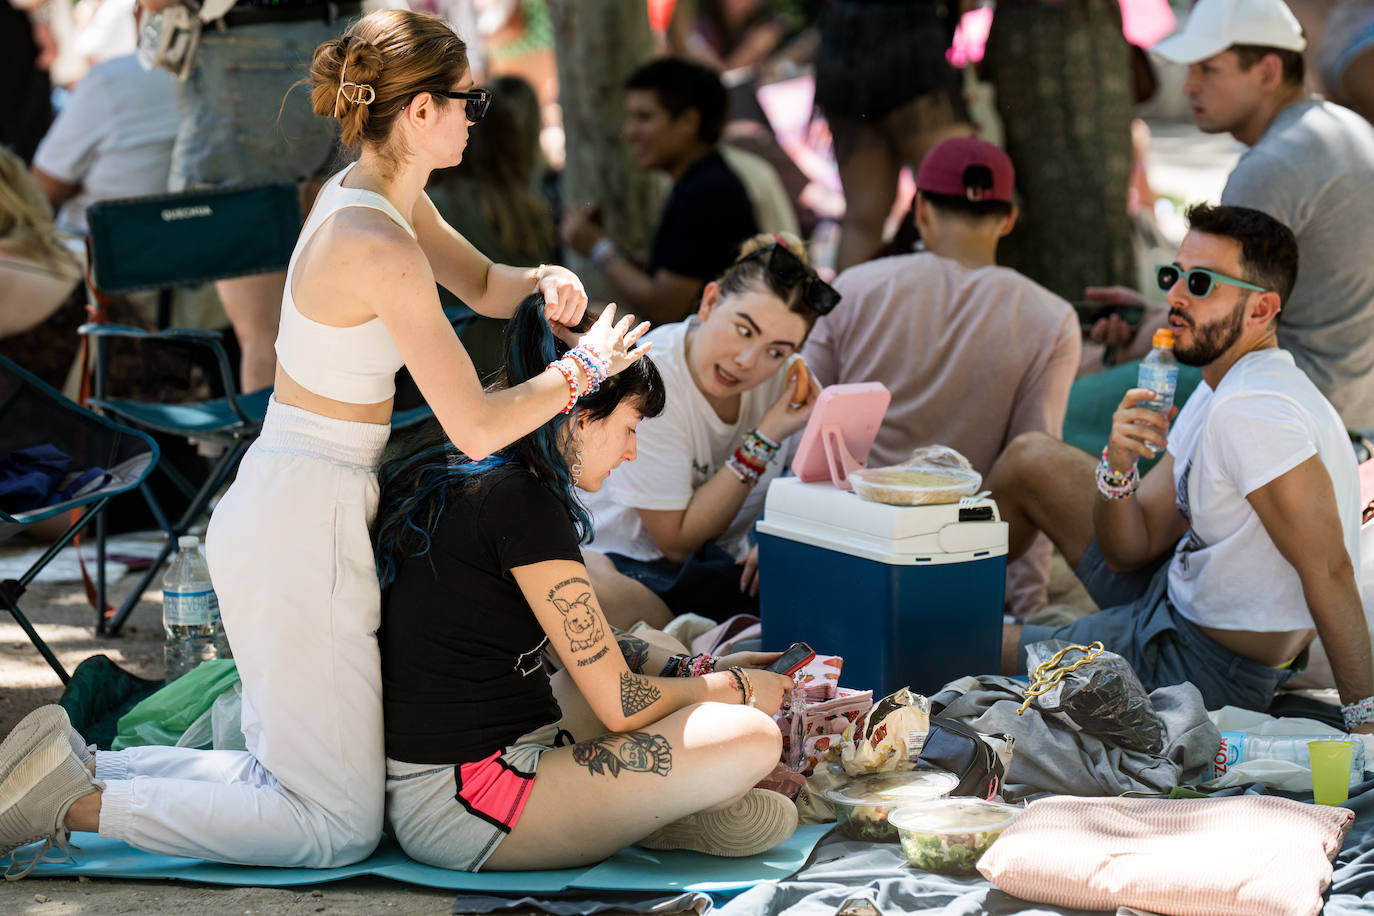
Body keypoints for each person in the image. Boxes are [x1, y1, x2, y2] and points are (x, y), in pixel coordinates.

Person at [0, 9, 651, 874]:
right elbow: (478, 424)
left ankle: (75, 771)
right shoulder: (376, 237)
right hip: (305, 522)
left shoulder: (374, 195)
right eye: (466, 101)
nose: (472, 116)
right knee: (333, 825)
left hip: (295, 508)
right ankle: (81, 800)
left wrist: (545, 279)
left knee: (301, 787)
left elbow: (492, 286)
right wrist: (586, 370)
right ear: (420, 110)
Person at [376, 294, 798, 871]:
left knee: (668, 648)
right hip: (469, 804)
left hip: (455, 776)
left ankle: (646, 809)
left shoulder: (483, 473)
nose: (629, 451)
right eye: (628, 427)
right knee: (749, 735)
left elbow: (573, 645)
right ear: (578, 417)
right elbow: (620, 703)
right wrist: (741, 691)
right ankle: (654, 812)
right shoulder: (522, 502)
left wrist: (699, 670)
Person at [989, 203, 1373, 729]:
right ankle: (974, 603)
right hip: (1168, 600)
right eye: (1173, 276)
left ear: (1261, 310)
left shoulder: (1253, 408)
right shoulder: (1223, 384)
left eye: (1200, 282)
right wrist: (1118, 465)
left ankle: (977, 627)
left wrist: (1367, 729)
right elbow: (1129, 548)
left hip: (1199, 667)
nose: (1174, 295)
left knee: (960, 647)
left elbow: (1330, 570)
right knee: (1029, 457)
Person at [801, 137, 1080, 620]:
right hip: (956, 565)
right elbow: (1034, 463)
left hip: (844, 548)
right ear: (1009, 218)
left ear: (921, 209)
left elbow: (797, 422)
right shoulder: (1051, 318)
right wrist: (1026, 606)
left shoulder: (854, 287)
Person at [1098, 0, 1374, 433]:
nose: (1188, 86)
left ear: (1267, 72)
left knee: (1061, 420)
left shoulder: (1272, 165)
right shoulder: (1344, 127)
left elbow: (1214, 324)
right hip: (1351, 396)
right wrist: (1154, 314)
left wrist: (1137, 337)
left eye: (1207, 69)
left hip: (1301, 410)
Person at [580, 232, 831, 629]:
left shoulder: (787, 382)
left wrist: (783, 536)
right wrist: (764, 439)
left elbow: (830, 481)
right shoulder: (651, 374)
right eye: (743, 330)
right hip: (626, 569)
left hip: (721, 573)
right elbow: (677, 542)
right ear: (711, 302)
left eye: (777, 351)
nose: (748, 361)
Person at [132, 0, 356, 393]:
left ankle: (277, 454)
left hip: (246, 50)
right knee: (343, 327)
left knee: (264, 337)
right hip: (350, 45)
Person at [561, 58, 760, 326]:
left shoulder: (705, 192)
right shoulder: (700, 182)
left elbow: (667, 306)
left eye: (644, 117)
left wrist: (598, 248)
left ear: (689, 121)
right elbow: (671, 277)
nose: (629, 132)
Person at [980, 0, 1138, 304]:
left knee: (1102, 199)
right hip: (1027, 40)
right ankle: (1048, 329)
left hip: (1087, 32)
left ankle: (1109, 324)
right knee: (1037, 198)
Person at [812, 0, 974, 272]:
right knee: (956, 203)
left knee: (862, 220)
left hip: (843, 49)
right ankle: (963, 311)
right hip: (913, 46)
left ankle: (850, 314)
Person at [30, 51, 178, 237]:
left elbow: (44, 188)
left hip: (102, 243)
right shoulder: (217, 71)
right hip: (189, 237)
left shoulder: (113, 78)